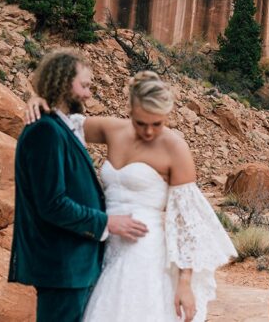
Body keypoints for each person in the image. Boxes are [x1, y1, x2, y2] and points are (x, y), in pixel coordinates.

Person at [25, 69, 237, 322]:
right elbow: (62, 126)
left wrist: (184, 282)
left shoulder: (175, 148)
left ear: (167, 115)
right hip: (104, 245)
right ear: (130, 111)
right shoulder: (112, 130)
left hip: (146, 252)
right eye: (140, 123)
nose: (148, 132)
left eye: (157, 124)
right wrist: (40, 102)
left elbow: (185, 220)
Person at [9, 49, 149, 322]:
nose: (88, 94)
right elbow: (52, 204)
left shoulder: (63, 125)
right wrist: (108, 222)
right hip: (62, 266)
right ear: (63, 84)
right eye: (84, 86)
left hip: (74, 265)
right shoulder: (44, 131)